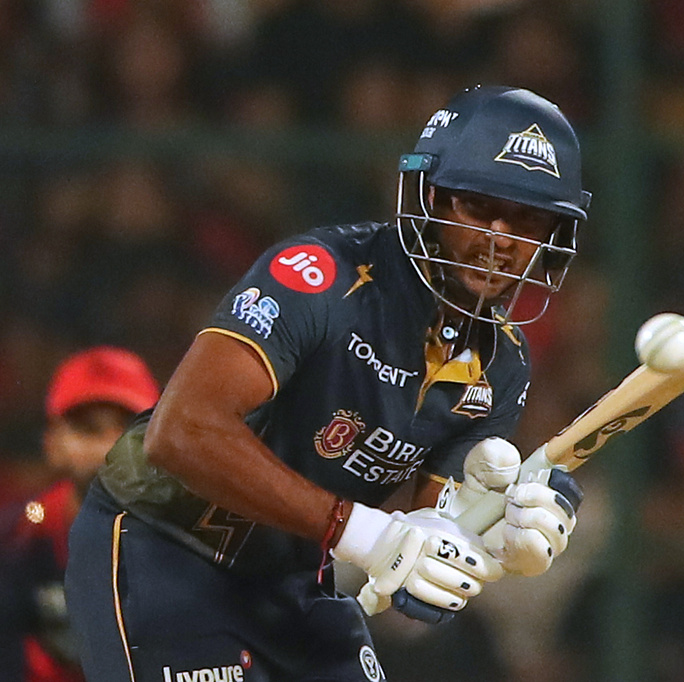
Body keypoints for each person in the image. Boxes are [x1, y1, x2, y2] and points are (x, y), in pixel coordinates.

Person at [65, 85, 591, 682]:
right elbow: (180, 433)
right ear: (431, 199)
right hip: (161, 546)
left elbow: (427, 541)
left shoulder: (503, 366)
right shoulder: (318, 277)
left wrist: (496, 541)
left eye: (528, 218)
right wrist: (359, 531)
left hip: (292, 577)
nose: (501, 239)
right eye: (477, 206)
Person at [0, 346, 161, 682]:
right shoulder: (17, 537)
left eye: (128, 426)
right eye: (88, 429)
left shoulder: (198, 538)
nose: (110, 445)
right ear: (52, 443)